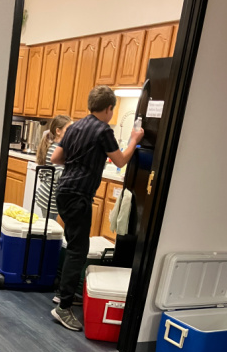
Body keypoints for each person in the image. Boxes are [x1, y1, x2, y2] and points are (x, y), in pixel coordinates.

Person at [50, 85, 144, 331]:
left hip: (64, 191)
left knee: (74, 245)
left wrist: (80, 161)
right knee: (78, 250)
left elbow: (56, 158)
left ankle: (63, 295)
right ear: (109, 108)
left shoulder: (75, 127)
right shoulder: (104, 130)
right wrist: (134, 140)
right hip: (79, 194)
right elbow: (120, 160)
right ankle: (63, 307)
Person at [34, 115, 72, 221]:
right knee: (50, 228)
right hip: (50, 200)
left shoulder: (59, 148)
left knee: (50, 227)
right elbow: (58, 174)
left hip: (50, 198)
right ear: (58, 131)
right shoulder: (56, 149)